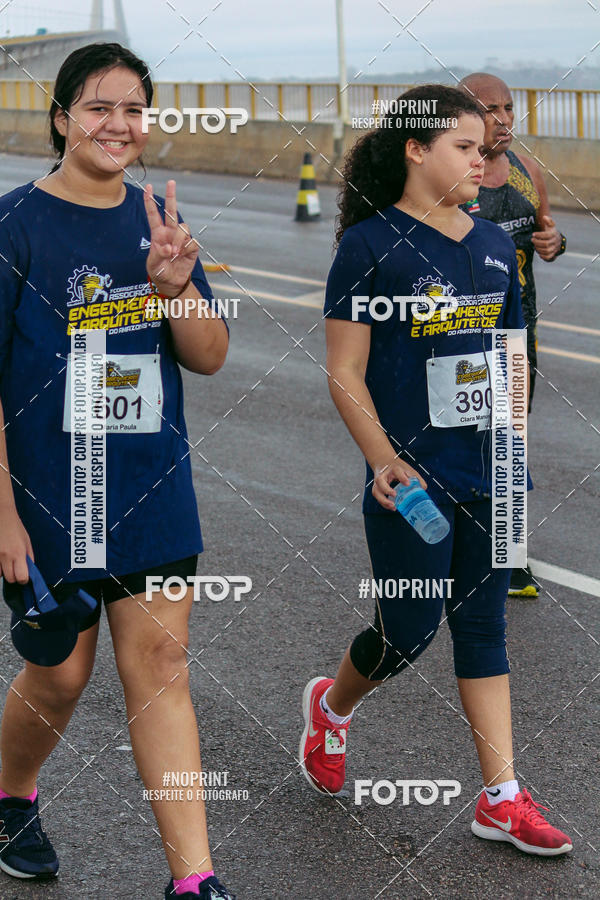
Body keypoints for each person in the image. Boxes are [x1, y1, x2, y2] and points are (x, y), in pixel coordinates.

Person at [299, 84, 572, 857]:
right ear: (416, 150)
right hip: (411, 479)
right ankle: (333, 706)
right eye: (465, 148)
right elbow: (344, 371)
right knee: (407, 632)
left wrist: (514, 452)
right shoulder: (369, 247)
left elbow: (510, 359)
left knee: (484, 629)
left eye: (487, 151)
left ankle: (501, 796)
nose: (484, 165)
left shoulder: (491, 247)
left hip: (489, 470)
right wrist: (383, 460)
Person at [0, 43, 235, 899]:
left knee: (162, 665)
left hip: (149, 483)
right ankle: (11, 796)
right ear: (61, 117)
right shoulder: (14, 223)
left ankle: (193, 879)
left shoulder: (157, 219)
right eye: (99, 107)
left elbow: (208, 356)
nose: (118, 125)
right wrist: (3, 515)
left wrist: (176, 287)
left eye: (133, 109)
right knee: (61, 675)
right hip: (47, 493)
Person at [458, 72, 567, 599]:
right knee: (459, 436)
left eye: (508, 108)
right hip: (457, 331)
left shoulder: (527, 172)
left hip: (519, 329)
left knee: (510, 439)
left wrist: (554, 241)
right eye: (489, 109)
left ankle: (511, 555)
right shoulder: (452, 176)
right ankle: (440, 543)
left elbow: (547, 233)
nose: (503, 120)